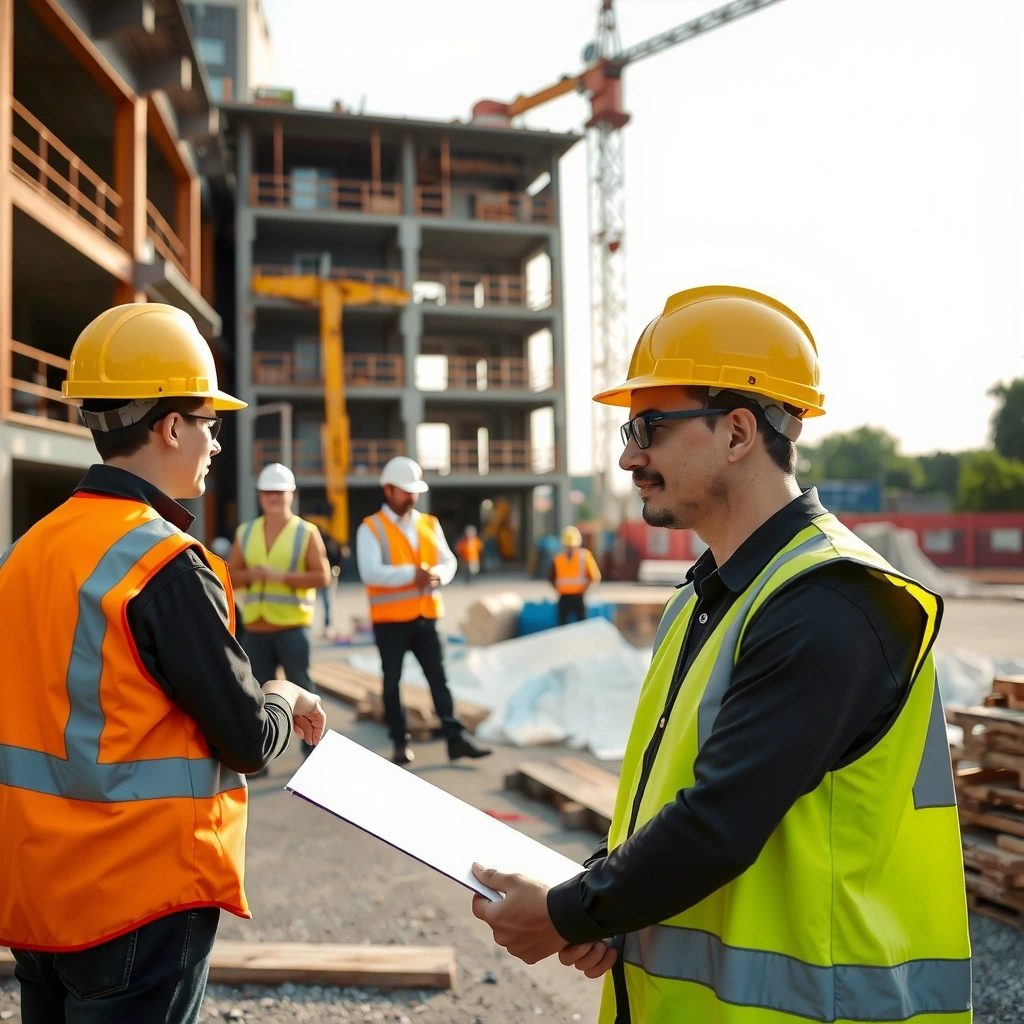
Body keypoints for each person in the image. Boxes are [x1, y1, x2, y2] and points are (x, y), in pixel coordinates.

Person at [470, 286, 970, 1023]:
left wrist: (566, 913)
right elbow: (673, 798)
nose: (629, 457)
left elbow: (720, 821)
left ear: (738, 432)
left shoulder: (828, 601)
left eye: (648, 427)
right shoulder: (709, 597)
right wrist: (594, 892)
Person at [0, 303, 326, 1024]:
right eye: (209, 422)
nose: (216, 442)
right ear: (171, 426)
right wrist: (281, 694)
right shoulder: (163, 564)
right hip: (134, 899)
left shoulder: (24, 553)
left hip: (35, 891)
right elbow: (246, 739)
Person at [356, 455, 491, 767]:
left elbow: (448, 560)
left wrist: (438, 576)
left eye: (414, 491)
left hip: (426, 617)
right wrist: (411, 574)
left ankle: (455, 739)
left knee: (439, 679)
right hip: (390, 622)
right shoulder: (371, 528)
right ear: (388, 490)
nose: (412, 497)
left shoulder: (429, 523)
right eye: (406, 491)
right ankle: (399, 741)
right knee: (392, 683)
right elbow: (370, 572)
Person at [228, 462, 330, 763]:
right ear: (260, 495)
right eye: (267, 492)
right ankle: (261, 756)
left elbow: (322, 576)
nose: (273, 497)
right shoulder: (246, 532)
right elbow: (230, 574)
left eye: (279, 491)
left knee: (303, 690)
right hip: (256, 629)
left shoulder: (306, 532)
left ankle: (312, 754)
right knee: (256, 696)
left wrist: (282, 577)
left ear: (291, 494)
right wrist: (251, 575)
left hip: (292, 628)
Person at [548, 525, 601, 624]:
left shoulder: (584, 556)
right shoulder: (558, 559)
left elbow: (594, 577)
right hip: (565, 597)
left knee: (580, 625)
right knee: (564, 625)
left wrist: (585, 590)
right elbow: (551, 578)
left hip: (578, 596)